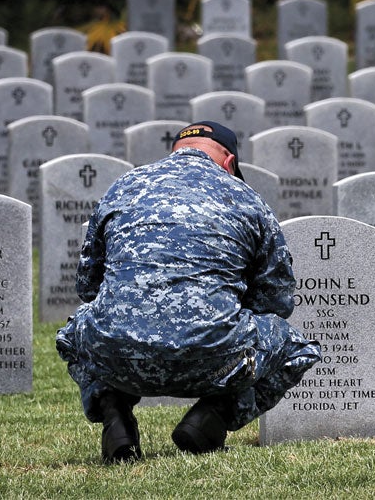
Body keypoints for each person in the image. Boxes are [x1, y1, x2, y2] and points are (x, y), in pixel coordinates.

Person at [56, 120, 322, 463]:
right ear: (229, 163)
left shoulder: (123, 187)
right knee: (293, 347)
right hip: (212, 358)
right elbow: (277, 299)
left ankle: (114, 413)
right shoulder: (246, 198)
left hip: (118, 357)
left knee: (73, 334)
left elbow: (88, 286)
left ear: (176, 152)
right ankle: (212, 415)